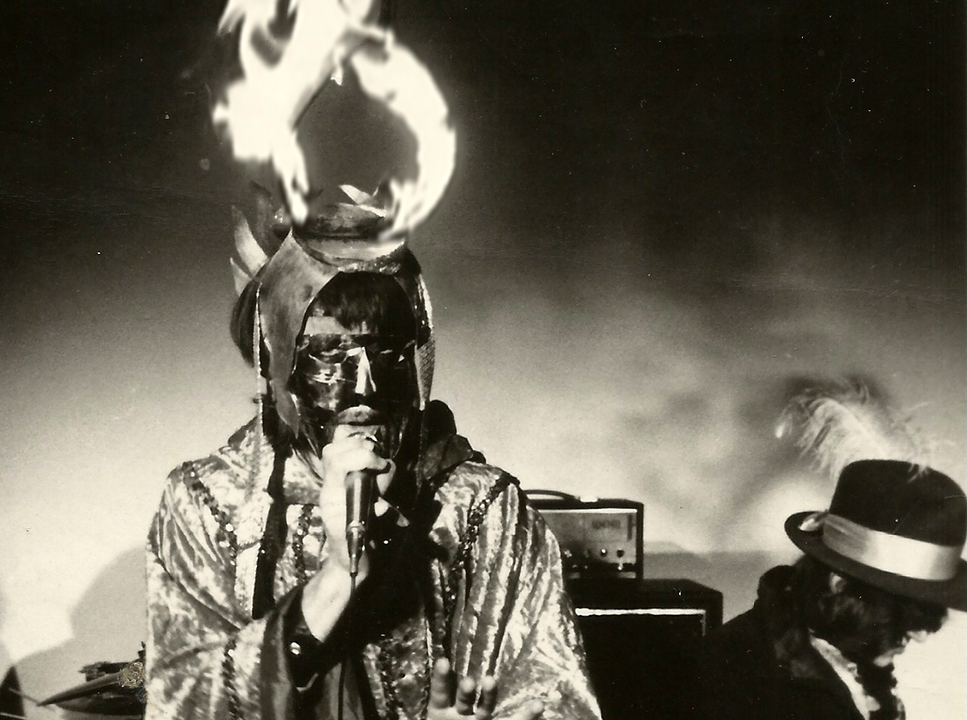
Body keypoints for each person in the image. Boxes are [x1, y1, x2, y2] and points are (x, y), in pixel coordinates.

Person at [144, 197, 601, 720]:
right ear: (276, 364)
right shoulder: (207, 504)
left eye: (387, 353)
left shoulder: (482, 510)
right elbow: (180, 699)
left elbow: (554, 695)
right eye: (329, 353)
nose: (365, 387)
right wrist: (336, 580)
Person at [697, 459, 965, 720]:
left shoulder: (853, 655)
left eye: (928, 610)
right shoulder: (726, 677)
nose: (920, 635)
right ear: (840, 586)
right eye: (904, 616)